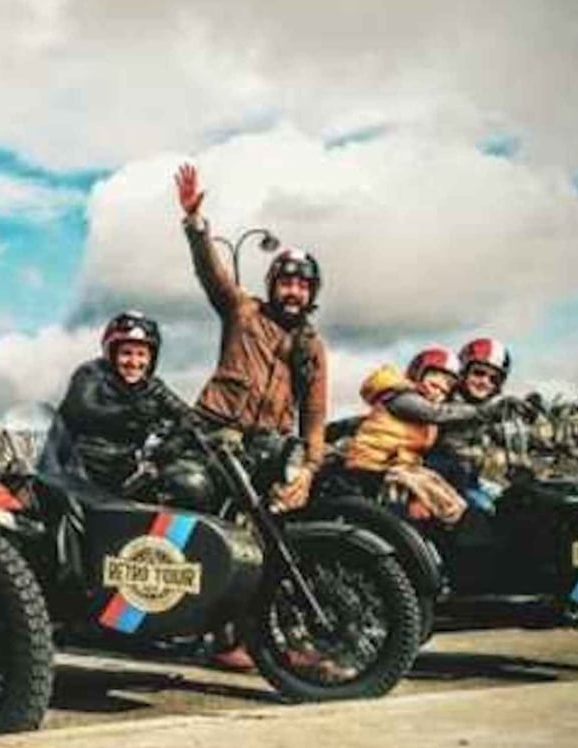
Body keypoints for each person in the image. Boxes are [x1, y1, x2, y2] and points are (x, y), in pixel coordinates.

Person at [174, 163, 327, 511]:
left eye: (303, 287)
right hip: (214, 439)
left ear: (312, 294)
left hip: (269, 449)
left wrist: (309, 469)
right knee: (195, 503)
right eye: (287, 283)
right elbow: (212, 273)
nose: (294, 292)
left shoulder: (312, 345)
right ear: (273, 285)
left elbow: (315, 414)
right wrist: (196, 225)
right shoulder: (243, 310)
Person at [53, 312, 210, 506]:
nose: (134, 362)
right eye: (126, 353)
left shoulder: (153, 387)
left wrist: (174, 443)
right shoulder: (90, 374)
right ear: (112, 353)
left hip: (124, 473)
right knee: (68, 512)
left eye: (141, 354)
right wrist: (129, 411)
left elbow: (190, 418)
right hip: (80, 469)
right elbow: (83, 409)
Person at [345, 347, 507, 524]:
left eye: (444, 391)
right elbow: (435, 413)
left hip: (395, 463)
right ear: (417, 374)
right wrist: (482, 412)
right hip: (373, 466)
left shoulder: (419, 410)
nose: (438, 392)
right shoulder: (404, 397)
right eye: (434, 385)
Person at [426, 337, 514, 505]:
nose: (485, 382)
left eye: (493, 379)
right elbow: (444, 417)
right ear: (463, 372)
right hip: (441, 482)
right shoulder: (442, 402)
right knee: (492, 511)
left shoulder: (487, 409)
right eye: (478, 373)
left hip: (471, 480)